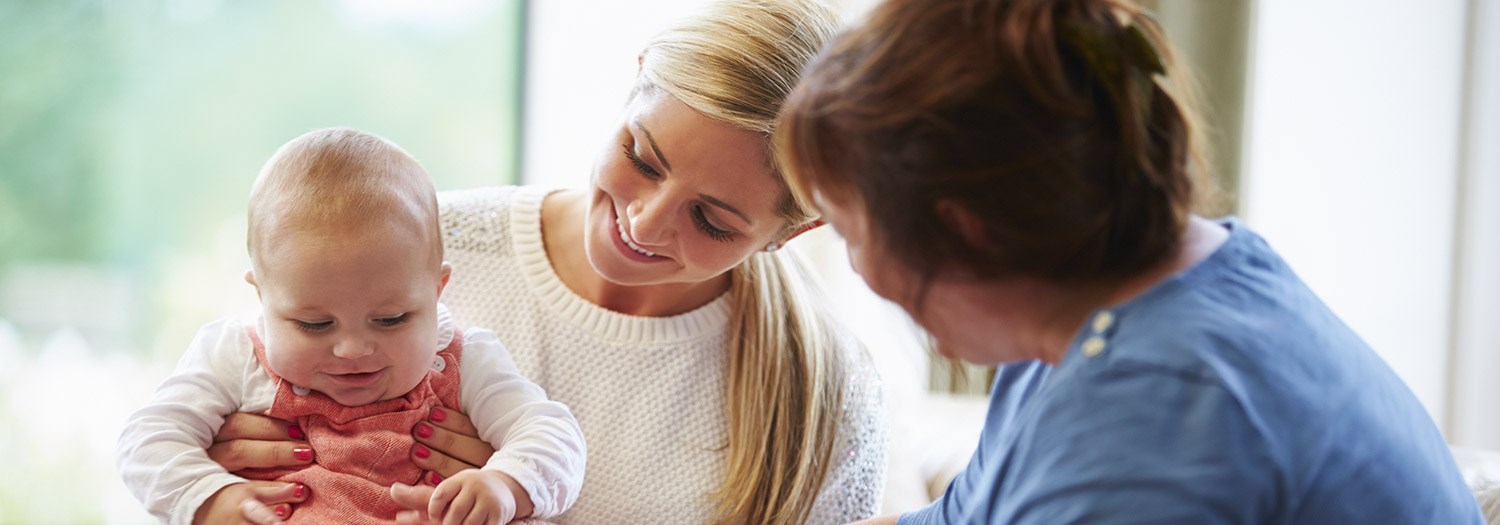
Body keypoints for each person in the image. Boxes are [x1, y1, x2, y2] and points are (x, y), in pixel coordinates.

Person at [774, 0, 1485, 523]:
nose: (859, 271)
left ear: (966, 232)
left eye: (848, 229)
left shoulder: (1156, 421)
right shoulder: (1109, 304)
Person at [201, 2, 889, 524]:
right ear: (638, 73)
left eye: (711, 219)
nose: (643, 221)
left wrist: (515, 491)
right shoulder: (414, 247)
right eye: (642, 157)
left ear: (793, 232)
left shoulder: (828, 401)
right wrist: (219, 475)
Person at [116, 128, 587, 525]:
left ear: (437, 290)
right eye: (314, 324)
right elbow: (147, 441)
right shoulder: (235, 355)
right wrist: (209, 497)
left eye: (391, 319)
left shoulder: (468, 360)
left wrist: (506, 483)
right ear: (261, 297)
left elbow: (553, 434)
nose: (353, 349)